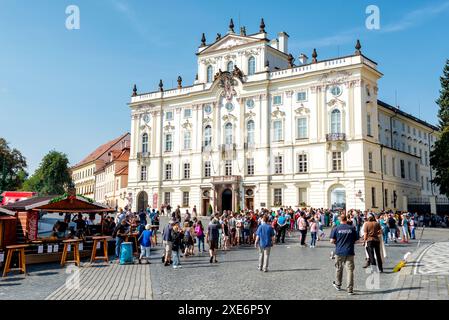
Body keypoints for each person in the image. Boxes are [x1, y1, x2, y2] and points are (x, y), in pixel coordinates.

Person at [330, 214, 359, 295]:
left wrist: (337, 242)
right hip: (349, 251)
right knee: (350, 271)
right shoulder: (352, 228)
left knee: (339, 268)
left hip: (339, 252)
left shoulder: (336, 228)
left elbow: (331, 241)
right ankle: (350, 289)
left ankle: (338, 284)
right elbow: (357, 241)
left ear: (340, 220)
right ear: (346, 219)